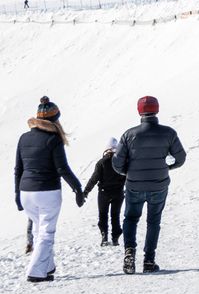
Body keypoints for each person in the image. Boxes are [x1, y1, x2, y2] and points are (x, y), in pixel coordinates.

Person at [14, 97, 84, 282]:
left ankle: (47, 265)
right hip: (47, 191)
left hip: (25, 192)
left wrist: (16, 195)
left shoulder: (24, 137)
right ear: (55, 120)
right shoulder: (53, 139)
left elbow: (18, 169)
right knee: (46, 233)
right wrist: (77, 188)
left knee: (38, 229)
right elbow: (62, 169)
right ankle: (35, 272)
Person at [114, 95, 187, 274]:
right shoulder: (168, 133)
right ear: (157, 110)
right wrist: (168, 167)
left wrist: (128, 172)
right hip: (159, 185)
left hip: (134, 185)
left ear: (139, 111)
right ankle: (149, 261)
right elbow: (181, 157)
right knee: (153, 221)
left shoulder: (128, 134)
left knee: (130, 219)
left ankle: (129, 252)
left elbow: (117, 163)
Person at [83, 137, 126, 246]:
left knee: (103, 215)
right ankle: (115, 238)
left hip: (104, 193)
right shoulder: (122, 162)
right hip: (118, 193)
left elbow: (94, 178)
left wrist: (86, 191)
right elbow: (127, 177)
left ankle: (104, 236)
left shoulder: (101, 162)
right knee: (115, 215)